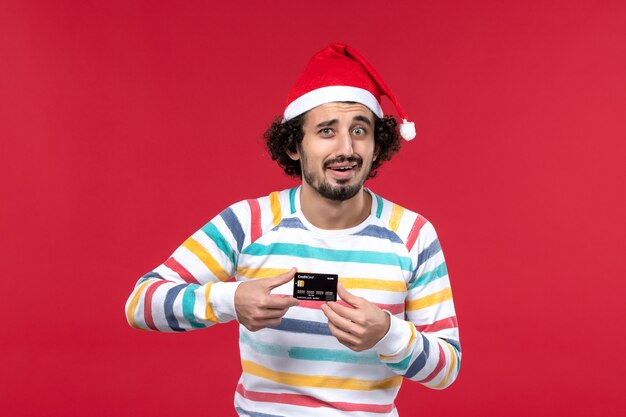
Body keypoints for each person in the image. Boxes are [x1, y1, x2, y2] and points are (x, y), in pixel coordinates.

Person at [125, 43, 460, 417]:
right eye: (326, 131)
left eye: (360, 130)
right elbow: (141, 304)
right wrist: (229, 301)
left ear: (377, 144)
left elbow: (446, 368)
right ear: (294, 145)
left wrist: (388, 334)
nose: (346, 148)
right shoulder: (248, 222)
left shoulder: (413, 234)